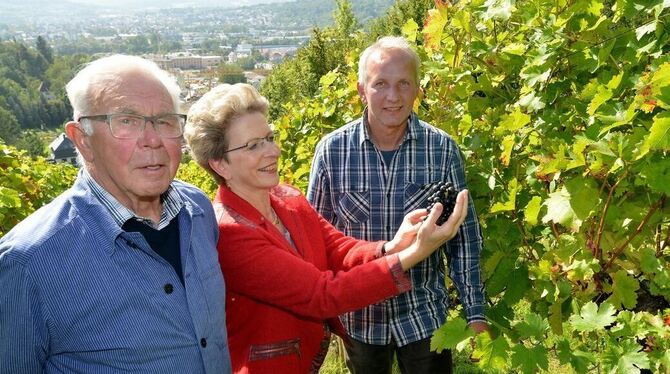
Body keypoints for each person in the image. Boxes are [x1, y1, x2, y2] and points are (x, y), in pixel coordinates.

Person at [183, 83, 470, 374]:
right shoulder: (232, 233)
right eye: (254, 145)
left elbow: (336, 247)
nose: (273, 151)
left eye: (269, 138)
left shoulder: (287, 197)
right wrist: (415, 253)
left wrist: (392, 246)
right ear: (220, 164)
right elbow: (322, 295)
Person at [0, 55, 231, 373]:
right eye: (127, 121)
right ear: (82, 139)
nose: (153, 141)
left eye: (164, 121)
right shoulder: (28, 262)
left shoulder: (199, 211)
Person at [307, 36, 489, 374]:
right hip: (360, 319)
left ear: (418, 88)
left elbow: (464, 239)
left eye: (404, 83)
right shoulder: (332, 152)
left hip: (423, 316)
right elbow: (315, 241)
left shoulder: (441, 149)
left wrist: (474, 313)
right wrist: (317, 315)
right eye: (381, 84)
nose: (393, 96)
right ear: (362, 90)